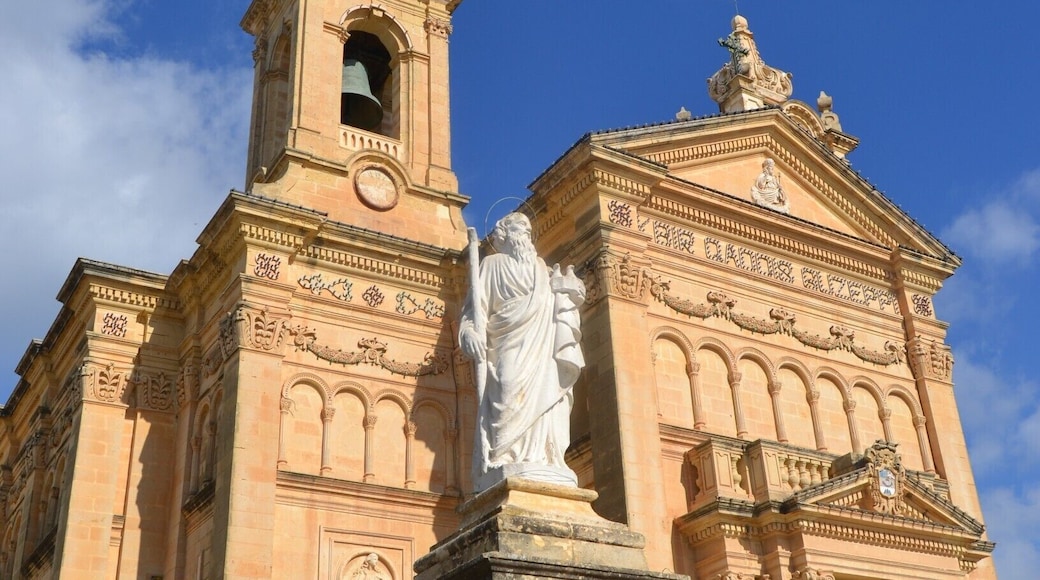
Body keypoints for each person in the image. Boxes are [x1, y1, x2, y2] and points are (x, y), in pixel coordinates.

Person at [459, 213, 585, 491]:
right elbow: (473, 310)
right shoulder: (491, 265)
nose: (525, 235)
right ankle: (503, 455)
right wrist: (469, 333)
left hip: (541, 345)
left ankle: (544, 456)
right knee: (506, 385)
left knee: (546, 397)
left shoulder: (542, 268)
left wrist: (570, 294)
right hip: (506, 342)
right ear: (503, 235)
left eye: (528, 231)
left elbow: (559, 299)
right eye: (518, 229)